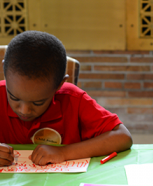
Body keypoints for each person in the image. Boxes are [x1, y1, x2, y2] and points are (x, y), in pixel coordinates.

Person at [0, 31, 132, 166]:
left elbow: (123, 137)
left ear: (60, 84)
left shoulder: (73, 99)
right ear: (4, 73)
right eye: (14, 98)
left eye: (38, 102)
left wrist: (64, 152)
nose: (25, 110)